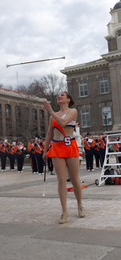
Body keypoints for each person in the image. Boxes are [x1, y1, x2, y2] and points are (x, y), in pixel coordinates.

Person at [43, 91, 85, 224]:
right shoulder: (53, 116)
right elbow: (49, 134)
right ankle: (64, 211)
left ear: (68, 99)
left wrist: (50, 110)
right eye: (58, 95)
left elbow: (63, 122)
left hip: (70, 146)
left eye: (62, 95)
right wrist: (45, 150)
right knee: (61, 180)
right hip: (57, 147)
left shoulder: (73, 111)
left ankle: (79, 204)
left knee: (74, 179)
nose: (59, 97)